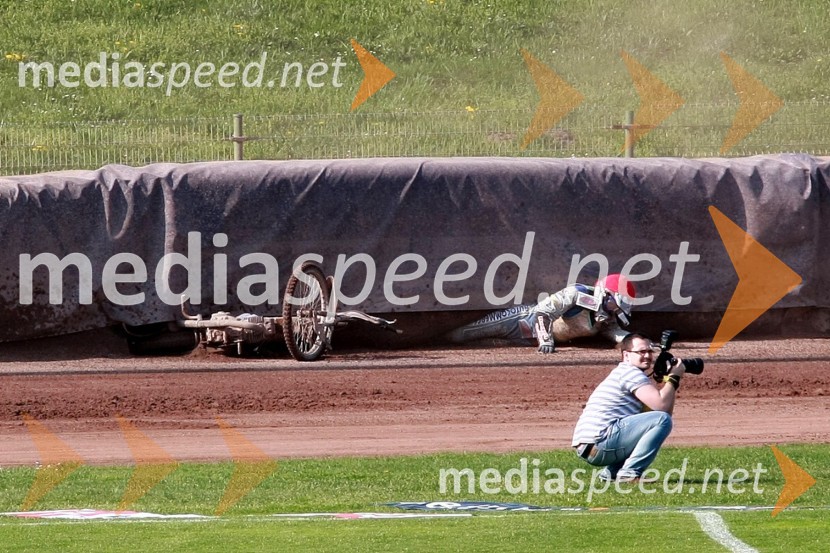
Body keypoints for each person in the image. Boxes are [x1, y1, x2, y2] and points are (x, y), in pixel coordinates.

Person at [571, 332, 686, 482]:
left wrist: (669, 380)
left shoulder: (625, 373)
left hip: (590, 446)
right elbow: (662, 409)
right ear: (626, 355)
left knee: (658, 420)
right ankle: (630, 473)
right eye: (641, 352)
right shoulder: (630, 372)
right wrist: (673, 378)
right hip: (599, 443)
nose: (647, 356)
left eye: (650, 351)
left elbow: (661, 411)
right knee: (661, 420)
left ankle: (612, 473)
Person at [444, 274, 636, 353]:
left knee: (481, 345)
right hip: (518, 319)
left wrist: (636, 342)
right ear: (605, 293)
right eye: (614, 302)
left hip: (528, 340)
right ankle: (432, 337)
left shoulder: (607, 316)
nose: (616, 308)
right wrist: (546, 340)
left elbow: (613, 331)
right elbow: (543, 313)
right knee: (461, 334)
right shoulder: (578, 293)